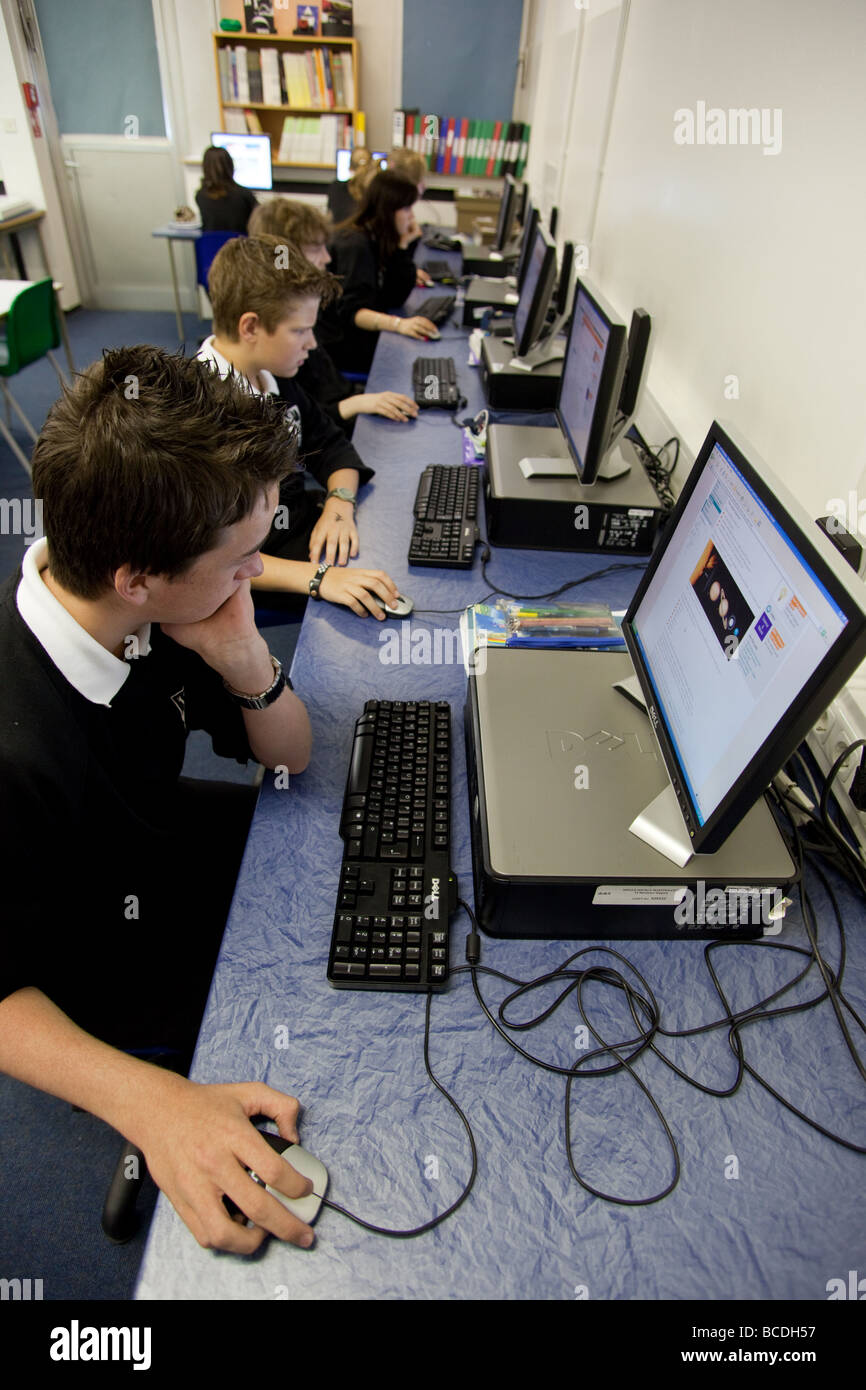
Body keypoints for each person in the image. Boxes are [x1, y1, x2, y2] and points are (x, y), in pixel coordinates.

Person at [0, 346, 322, 1254]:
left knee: (342, 857)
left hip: (147, 844)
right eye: (243, 558)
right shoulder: (13, 750)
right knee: (332, 1044)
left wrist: (244, 660)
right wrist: (149, 1100)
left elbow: (290, 760)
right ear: (136, 578)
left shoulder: (161, 614)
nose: (257, 574)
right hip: (80, 956)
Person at [199, 232, 402, 615]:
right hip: (259, 567)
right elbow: (211, 559)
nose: (312, 343)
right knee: (387, 595)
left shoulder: (274, 376)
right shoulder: (202, 416)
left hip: (301, 529)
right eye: (299, 331)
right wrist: (319, 578)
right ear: (250, 327)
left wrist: (339, 506)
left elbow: (333, 446)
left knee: (395, 542)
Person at [247, 198, 419, 433]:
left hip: (341, 406)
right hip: (335, 419)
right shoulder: (277, 334)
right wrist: (357, 403)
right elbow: (300, 424)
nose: (327, 258)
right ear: (286, 254)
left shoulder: (305, 307)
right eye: (317, 249)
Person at [318, 170, 438, 375]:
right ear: (388, 210)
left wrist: (403, 247)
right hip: (341, 347)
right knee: (411, 366)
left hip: (360, 336)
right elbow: (353, 313)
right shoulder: (355, 245)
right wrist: (399, 324)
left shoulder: (377, 238)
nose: (412, 216)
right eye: (407, 208)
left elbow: (395, 297)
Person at [195, 146, 258, 232]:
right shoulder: (244, 195)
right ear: (230, 166)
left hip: (211, 245)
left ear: (205, 168)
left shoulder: (200, 196)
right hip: (239, 245)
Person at [326, 145, 374, 224]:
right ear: (372, 167)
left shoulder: (336, 187)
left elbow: (330, 217)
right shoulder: (376, 192)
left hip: (341, 235)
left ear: (350, 168)